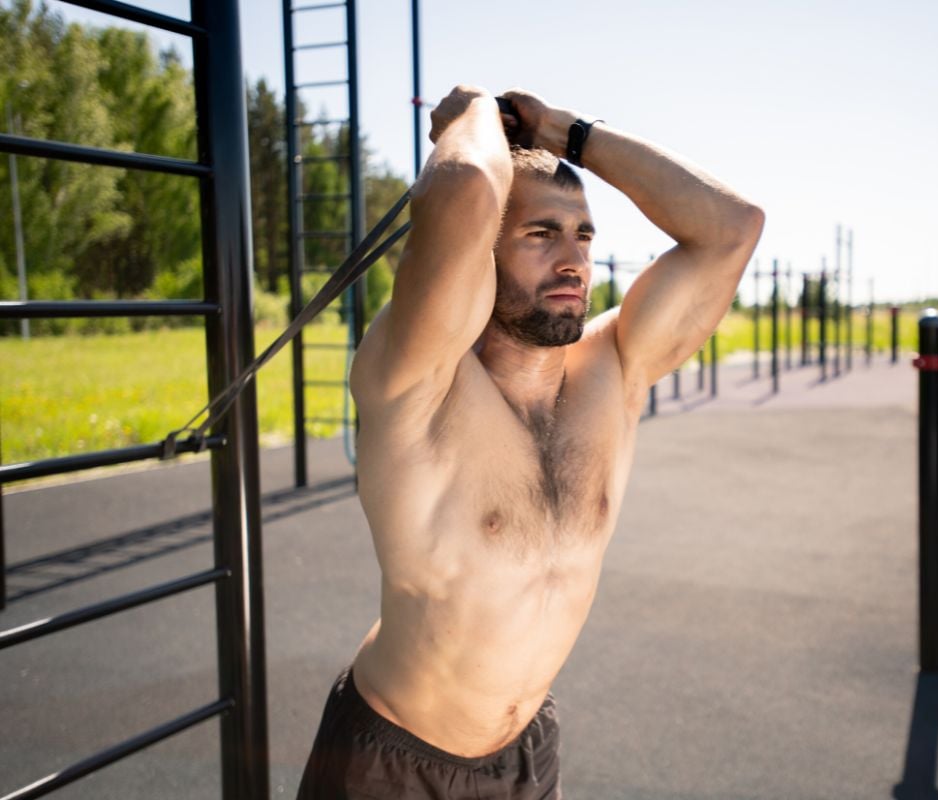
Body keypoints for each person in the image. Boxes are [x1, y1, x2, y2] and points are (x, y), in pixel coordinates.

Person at [297, 85, 764, 799]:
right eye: (541, 235)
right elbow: (461, 190)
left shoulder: (616, 371)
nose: (574, 261)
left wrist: (562, 131)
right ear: (481, 254)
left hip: (525, 757)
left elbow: (733, 226)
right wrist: (473, 111)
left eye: (582, 235)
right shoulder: (419, 378)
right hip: (389, 762)